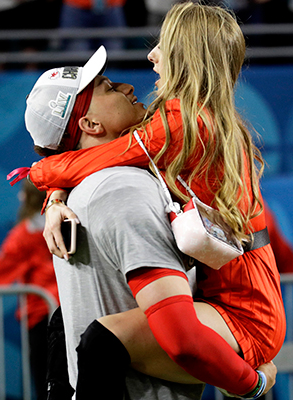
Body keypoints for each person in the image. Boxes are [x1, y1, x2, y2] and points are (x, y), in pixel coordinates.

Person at [15, 2, 283, 396]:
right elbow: (100, 157)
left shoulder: (179, 127)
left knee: (101, 340)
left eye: (162, 45)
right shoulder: (176, 121)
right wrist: (56, 198)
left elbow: (95, 157)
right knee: (66, 327)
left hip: (244, 312)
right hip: (236, 299)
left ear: (184, 57)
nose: (150, 55)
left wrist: (44, 180)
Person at [0, 179, 60, 400]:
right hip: (71, 310)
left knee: (47, 384)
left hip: (43, 316)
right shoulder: (68, 224)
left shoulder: (24, 234)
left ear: (27, 197)